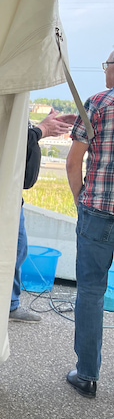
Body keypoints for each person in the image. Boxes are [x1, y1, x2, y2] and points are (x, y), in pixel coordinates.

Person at [64, 48, 114, 399]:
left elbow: (73, 163)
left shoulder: (97, 104)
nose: (104, 71)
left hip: (98, 211)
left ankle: (87, 376)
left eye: (106, 65)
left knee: (92, 292)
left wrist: (82, 200)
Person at [10, 109, 76, 323]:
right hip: (3, 198)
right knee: (14, 250)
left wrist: (42, 127)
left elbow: (21, 137)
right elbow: (9, 142)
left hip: (11, 196)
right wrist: (42, 130)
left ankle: (9, 304)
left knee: (18, 250)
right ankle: (8, 305)